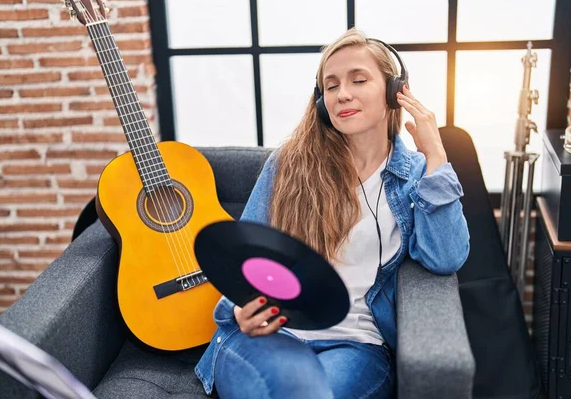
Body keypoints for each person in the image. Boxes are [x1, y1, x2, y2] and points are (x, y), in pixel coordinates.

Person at [194, 28, 470, 399]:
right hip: (270, 334)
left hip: (356, 345)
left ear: (394, 92)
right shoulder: (287, 165)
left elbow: (446, 256)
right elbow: (242, 255)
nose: (343, 94)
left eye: (359, 79)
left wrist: (436, 155)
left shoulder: (417, 177)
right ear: (321, 100)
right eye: (331, 85)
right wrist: (241, 308)